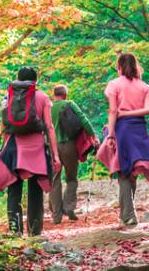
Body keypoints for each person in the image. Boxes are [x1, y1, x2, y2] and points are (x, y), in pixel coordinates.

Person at [0, 67, 61, 236]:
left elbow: (4, 126)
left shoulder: (8, 97)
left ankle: (15, 230)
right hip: (36, 148)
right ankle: (35, 232)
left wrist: (5, 147)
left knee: (14, 190)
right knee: (35, 191)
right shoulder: (42, 96)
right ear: (35, 81)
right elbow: (49, 127)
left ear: (18, 79)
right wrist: (55, 155)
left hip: (14, 148)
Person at [100, 52, 149, 227]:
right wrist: (129, 113)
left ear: (119, 67)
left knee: (123, 171)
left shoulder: (114, 84)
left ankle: (129, 215)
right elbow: (147, 110)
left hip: (122, 128)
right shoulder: (144, 86)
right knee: (133, 170)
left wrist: (111, 134)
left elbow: (113, 111)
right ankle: (126, 214)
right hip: (139, 128)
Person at [49, 84, 99, 224]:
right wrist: (93, 136)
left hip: (53, 147)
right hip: (70, 146)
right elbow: (84, 120)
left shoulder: (48, 107)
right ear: (65, 95)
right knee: (71, 178)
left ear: (54, 95)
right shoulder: (70, 104)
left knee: (54, 181)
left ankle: (56, 216)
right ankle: (69, 206)